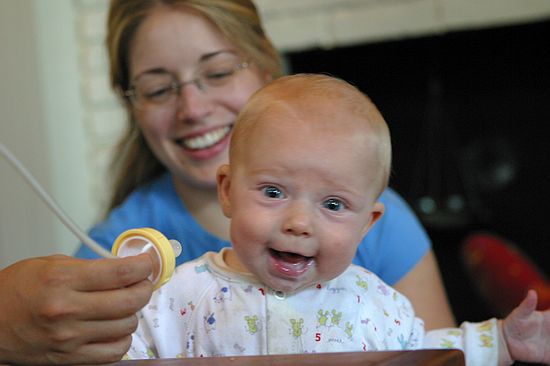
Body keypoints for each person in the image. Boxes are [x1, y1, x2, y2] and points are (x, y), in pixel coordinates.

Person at [0, 1, 452, 364]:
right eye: (159, 89)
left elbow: (435, 352)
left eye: (216, 73)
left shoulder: (375, 218)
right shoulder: (115, 249)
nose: (192, 108)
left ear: (266, 68)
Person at [125, 74, 550, 365]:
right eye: (273, 192)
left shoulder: (374, 305)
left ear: (367, 224)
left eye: (332, 205)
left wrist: (500, 341)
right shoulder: (180, 295)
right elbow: (125, 351)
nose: (298, 222)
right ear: (228, 190)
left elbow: (423, 353)